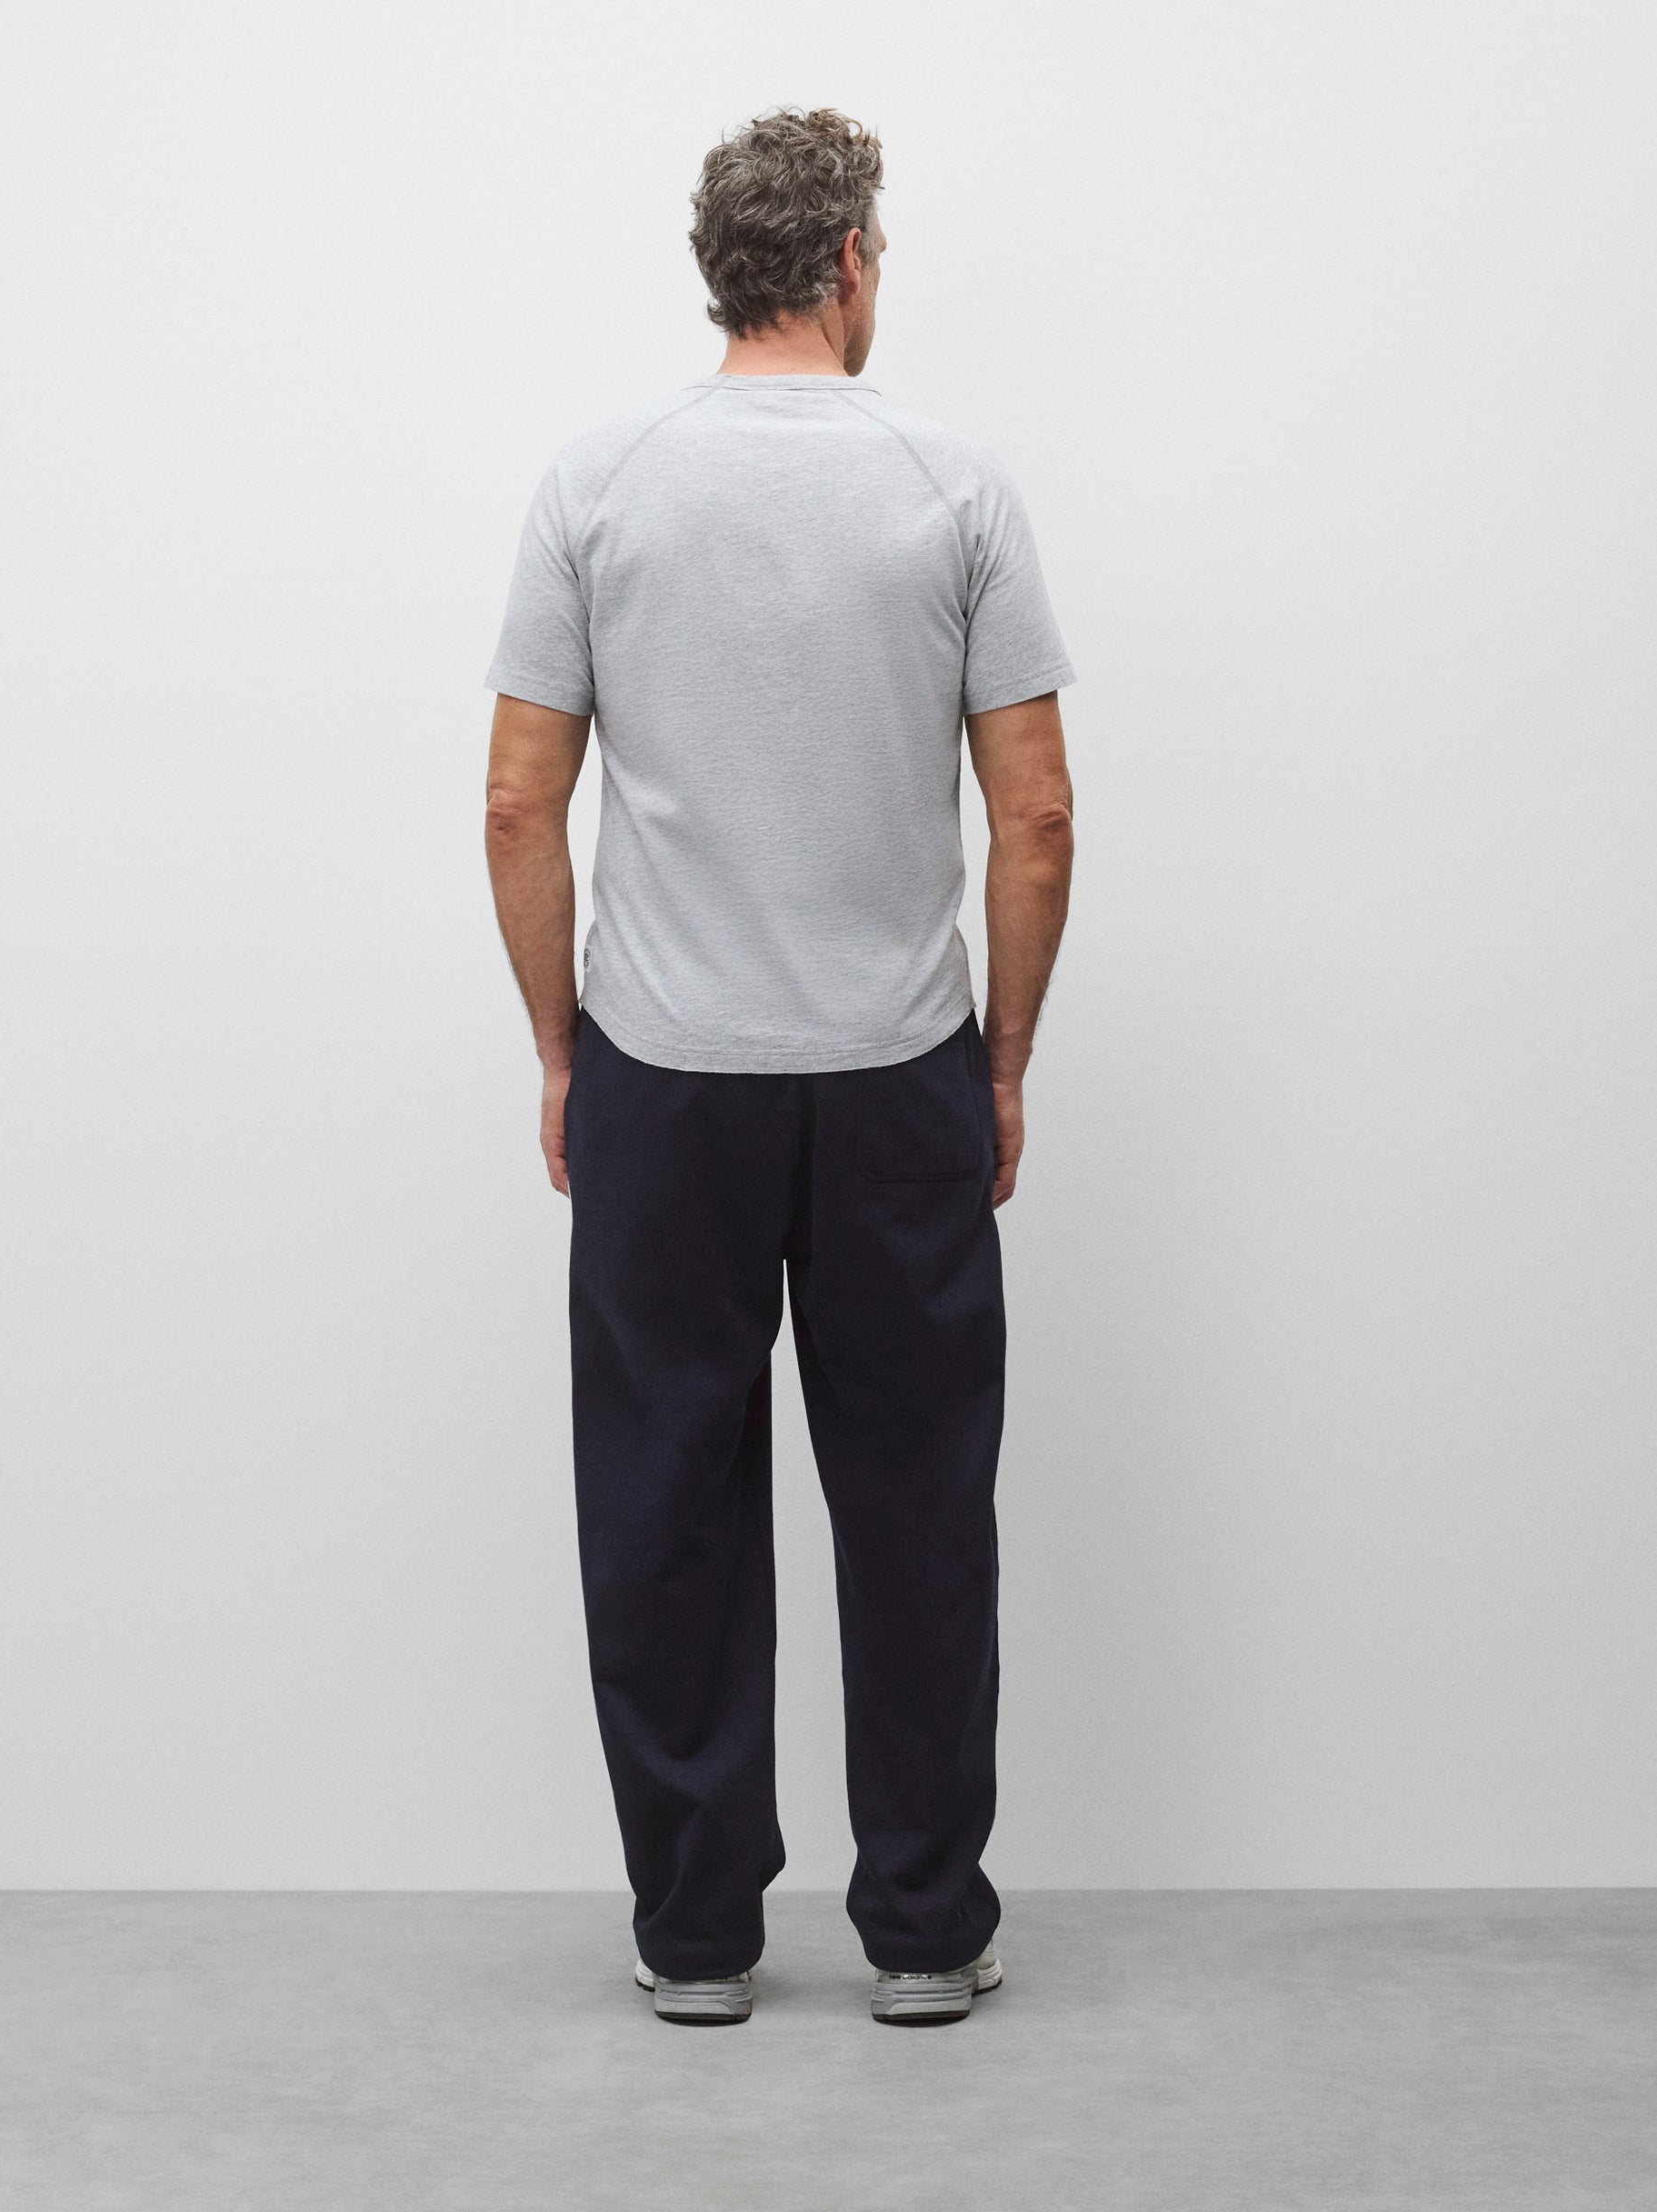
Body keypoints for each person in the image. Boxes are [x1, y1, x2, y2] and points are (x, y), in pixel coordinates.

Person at [484, 106, 1076, 2027]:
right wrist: (1000, 1063)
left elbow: (516, 802)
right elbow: (1035, 814)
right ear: (845, 264)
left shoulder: (595, 482)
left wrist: (562, 1048)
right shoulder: (953, 484)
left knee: (664, 1493)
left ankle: (694, 1943)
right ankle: (922, 1928)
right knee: (919, 1501)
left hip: (664, 1066)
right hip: (897, 1066)